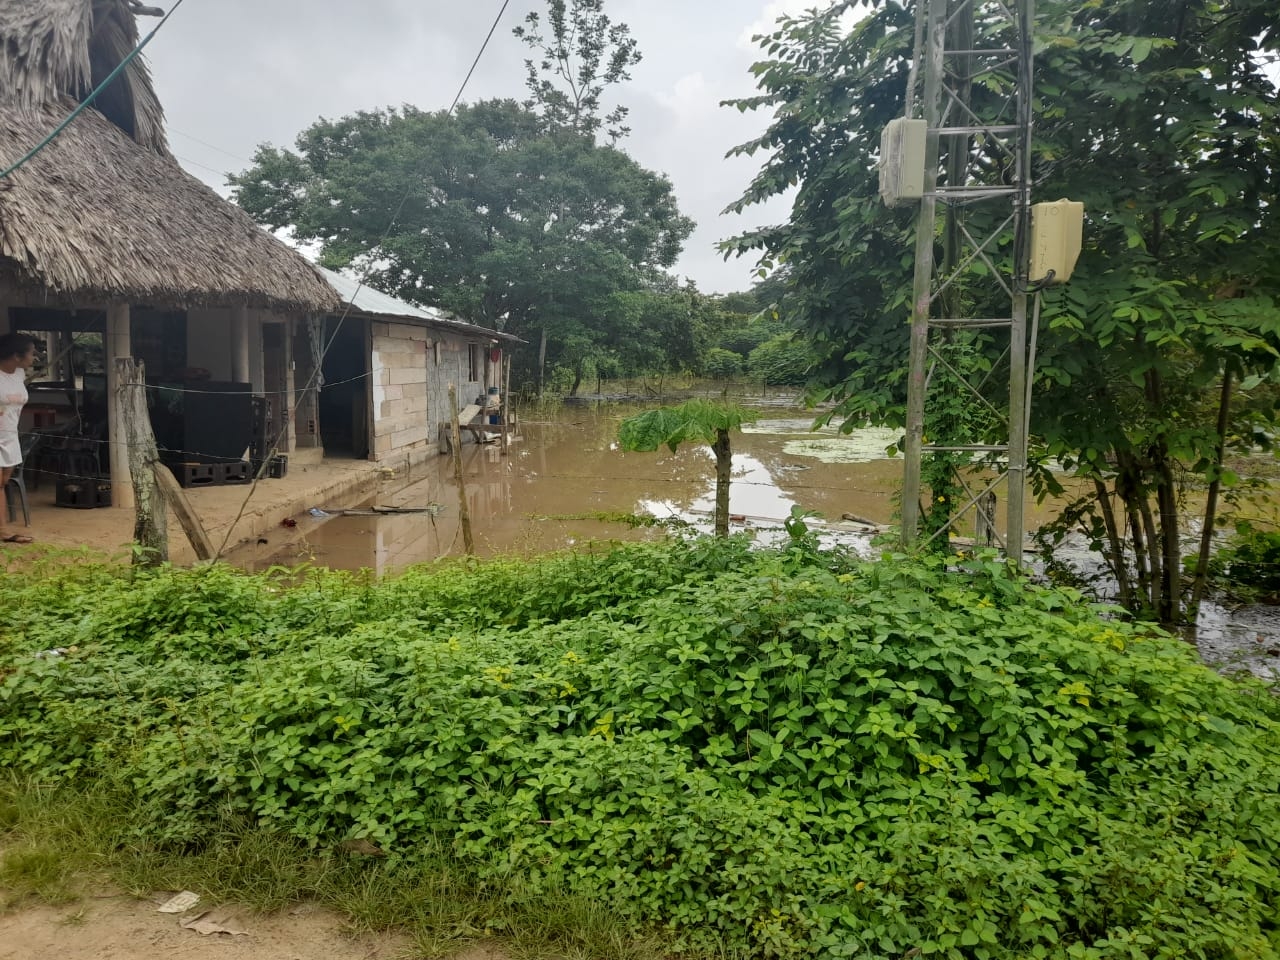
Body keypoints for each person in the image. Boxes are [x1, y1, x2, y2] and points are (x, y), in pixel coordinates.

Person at [0, 332, 37, 544]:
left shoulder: (19, 374)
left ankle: (3, 529)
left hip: (10, 435)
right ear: (16, 355)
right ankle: (4, 530)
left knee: (4, 482)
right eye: (31, 353)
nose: (34, 357)